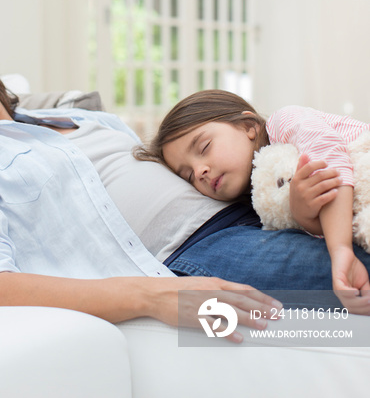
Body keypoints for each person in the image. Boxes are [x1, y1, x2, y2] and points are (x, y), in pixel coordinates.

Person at [0, 21, 280, 342]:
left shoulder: (77, 118)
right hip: (192, 252)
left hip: (248, 214)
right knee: (337, 286)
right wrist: (154, 296)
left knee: (336, 279)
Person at [136, 89, 370, 314]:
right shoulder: (260, 208)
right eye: (188, 175)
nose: (200, 171)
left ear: (249, 126)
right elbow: (343, 223)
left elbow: (329, 159)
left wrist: (340, 249)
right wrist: (304, 216)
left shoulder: (285, 122)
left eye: (204, 147)